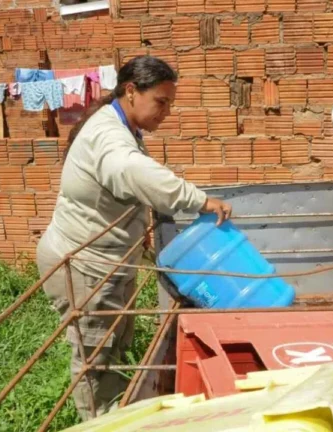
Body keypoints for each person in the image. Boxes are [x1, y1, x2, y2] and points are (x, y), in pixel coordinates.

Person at [36, 55, 232, 421]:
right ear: (130, 91)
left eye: (170, 103)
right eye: (161, 101)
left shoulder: (120, 126)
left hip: (107, 261)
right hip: (84, 267)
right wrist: (199, 200)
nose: (167, 112)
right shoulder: (109, 135)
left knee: (114, 344)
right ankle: (101, 423)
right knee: (95, 359)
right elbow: (133, 172)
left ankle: (116, 411)